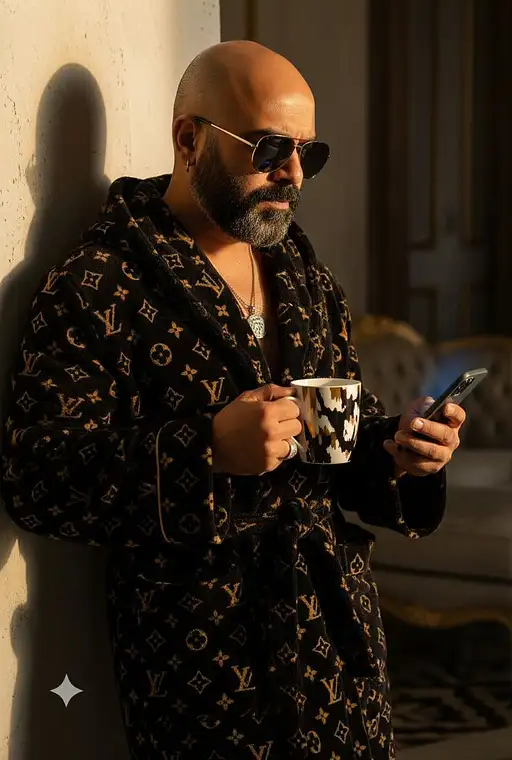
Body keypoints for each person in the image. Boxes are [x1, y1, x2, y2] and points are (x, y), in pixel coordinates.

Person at [1, 41, 465, 759]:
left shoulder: (302, 272)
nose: (293, 174)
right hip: (205, 667)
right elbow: (37, 477)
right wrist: (208, 449)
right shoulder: (99, 282)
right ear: (190, 139)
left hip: (338, 655)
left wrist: (398, 452)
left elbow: (332, 451)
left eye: (308, 153)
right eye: (270, 147)